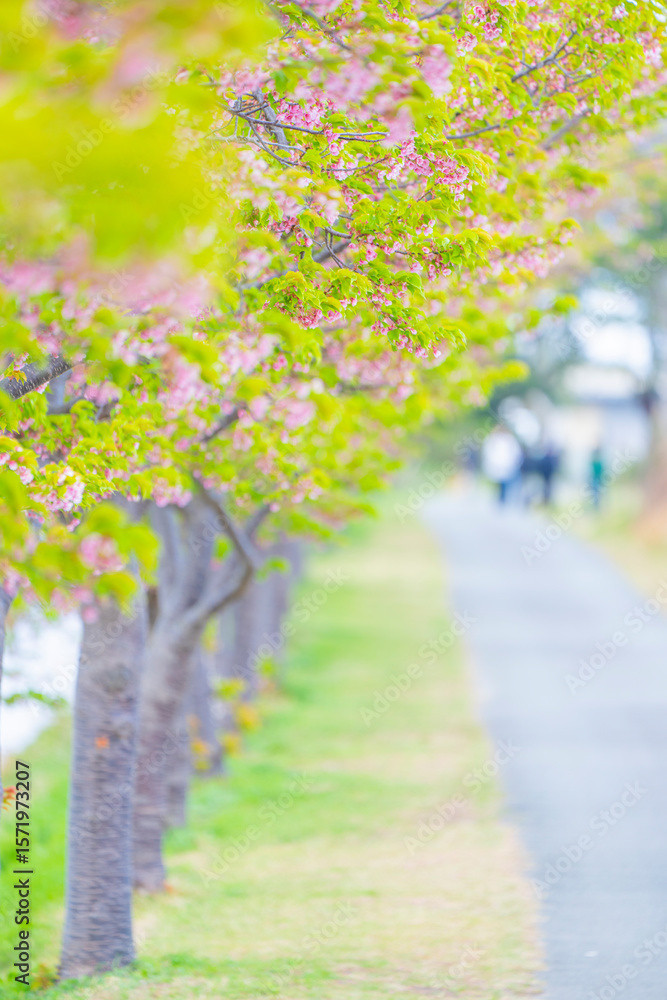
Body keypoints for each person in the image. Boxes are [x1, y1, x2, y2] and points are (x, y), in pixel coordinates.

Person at [481, 426, 523, 504]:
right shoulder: (499, 439)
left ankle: (501, 498)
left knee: (502, 482)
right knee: (502, 482)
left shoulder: (498, 439)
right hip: (502, 464)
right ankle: (501, 497)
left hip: (504, 464)